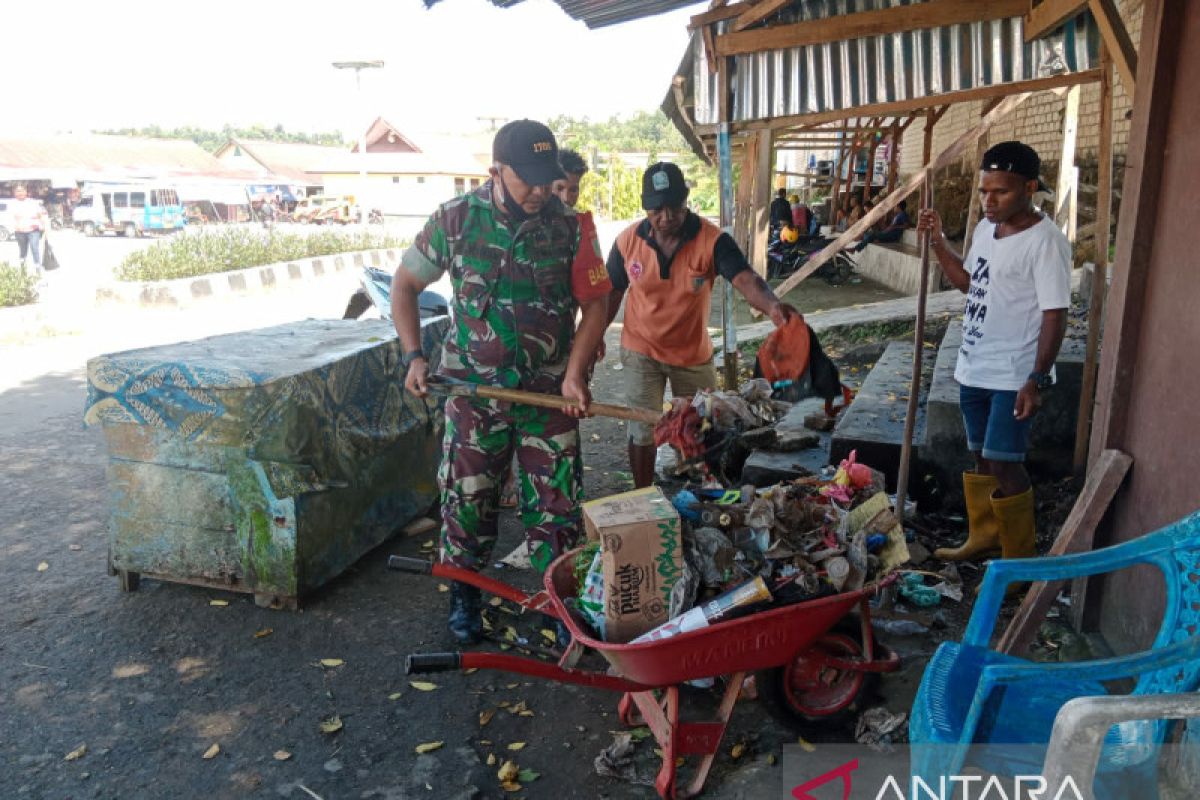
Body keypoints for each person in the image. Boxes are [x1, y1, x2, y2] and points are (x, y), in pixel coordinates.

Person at [391, 120, 611, 644]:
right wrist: (415, 357)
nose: (541, 191)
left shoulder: (570, 226)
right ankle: (465, 594)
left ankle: (559, 605)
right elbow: (404, 285)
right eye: (528, 179)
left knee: (557, 504)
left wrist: (576, 373)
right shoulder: (456, 219)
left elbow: (597, 304)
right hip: (472, 394)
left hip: (546, 394)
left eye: (547, 179)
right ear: (496, 171)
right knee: (468, 499)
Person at [916, 141, 1070, 582]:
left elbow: (1055, 314)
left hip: (1013, 373)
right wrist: (939, 243)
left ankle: (1021, 562)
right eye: (984, 191)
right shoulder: (987, 228)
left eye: (1000, 192)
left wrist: (1035, 379)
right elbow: (969, 283)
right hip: (975, 366)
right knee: (981, 457)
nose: (989, 200)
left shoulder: (1045, 243)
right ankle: (984, 537)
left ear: (1029, 187)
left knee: (1005, 461)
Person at [605, 162, 801, 488]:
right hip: (641, 348)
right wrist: (597, 336)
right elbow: (611, 293)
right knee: (641, 429)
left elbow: (745, 278)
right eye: (657, 209)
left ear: (686, 201)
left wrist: (773, 307)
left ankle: (703, 490)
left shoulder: (712, 240)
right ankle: (642, 495)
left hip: (692, 353)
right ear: (645, 207)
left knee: (705, 424)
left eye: (675, 207)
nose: (666, 217)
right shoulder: (627, 241)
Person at [11, 185, 48, 274]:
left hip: (33, 230)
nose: (20, 193)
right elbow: (12, 217)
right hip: (20, 232)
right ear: (15, 193)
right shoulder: (12, 204)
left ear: (26, 192)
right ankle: (23, 269)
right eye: (18, 191)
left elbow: (40, 215)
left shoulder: (32, 202)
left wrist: (44, 227)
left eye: (22, 190)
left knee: (34, 248)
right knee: (23, 251)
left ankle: (38, 269)